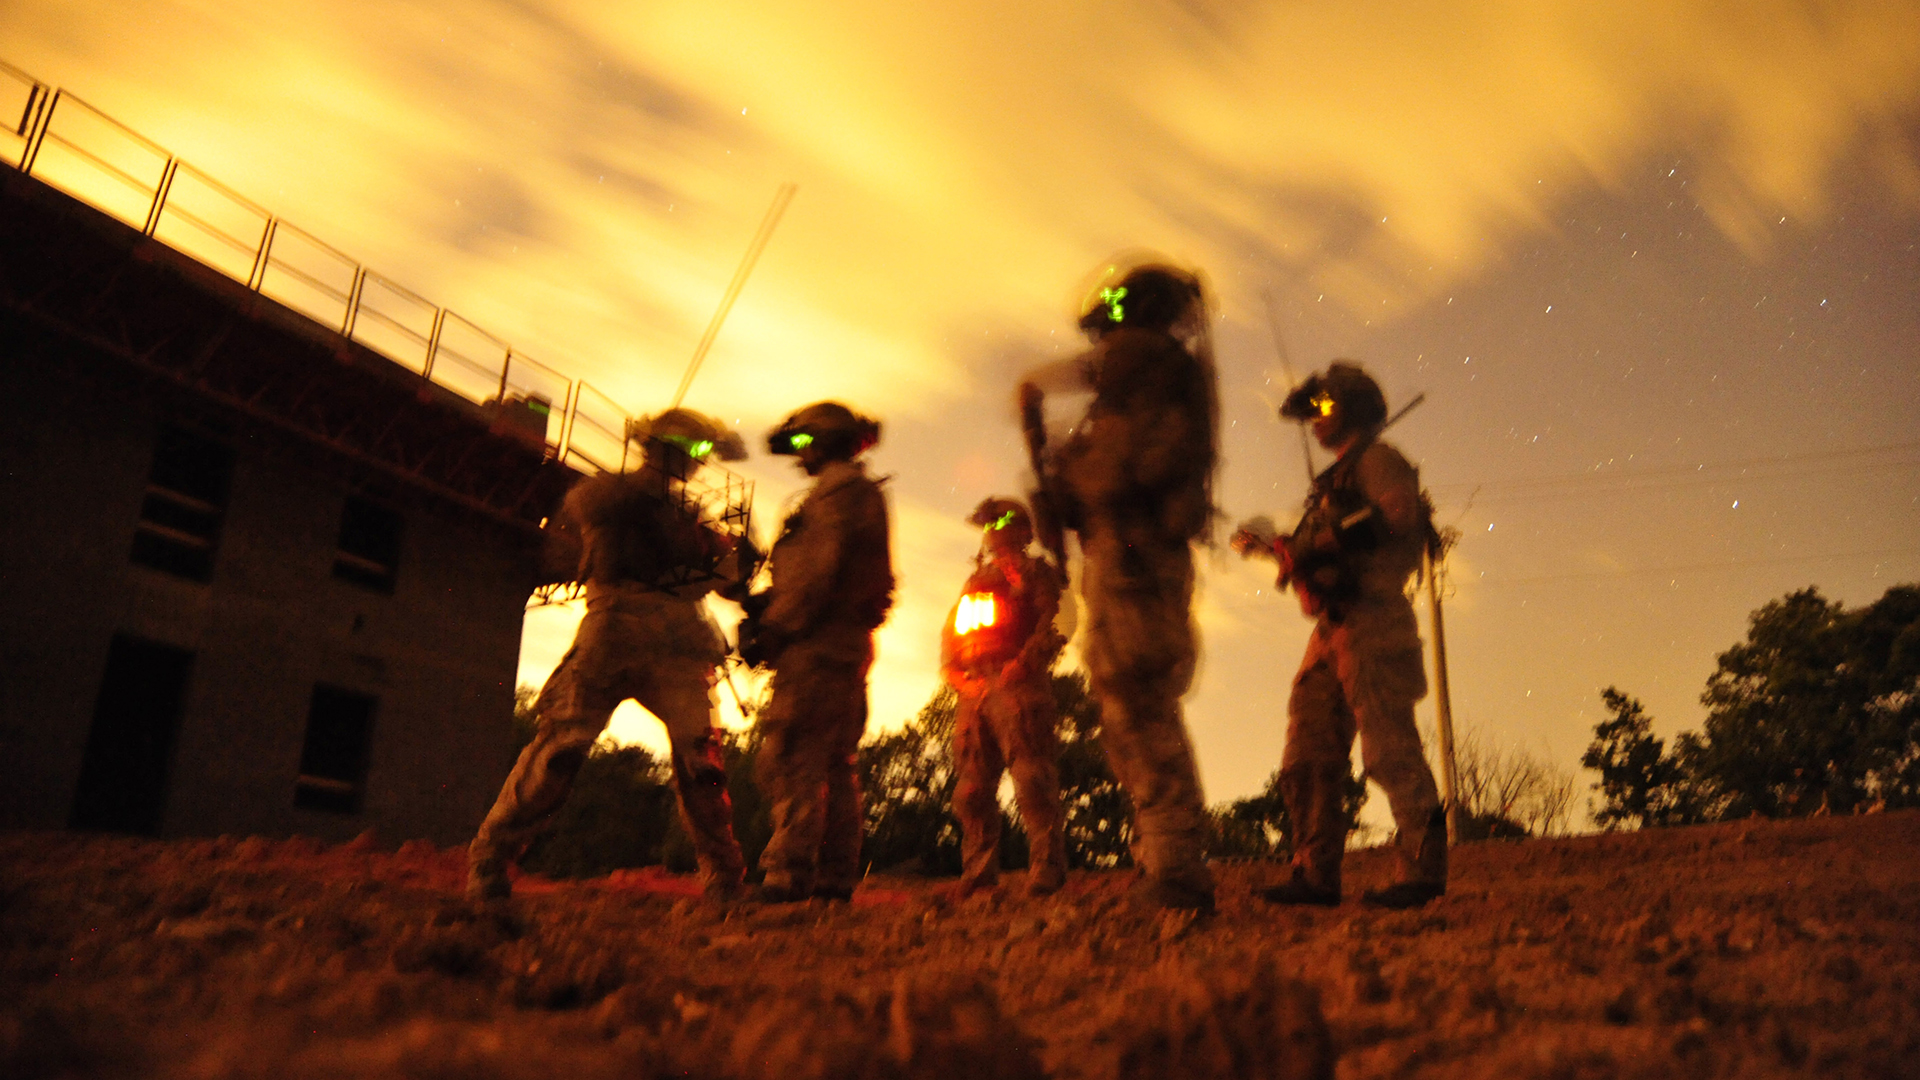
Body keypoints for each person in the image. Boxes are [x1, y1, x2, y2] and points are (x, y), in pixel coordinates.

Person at [467, 408, 751, 902]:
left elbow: (729, 582)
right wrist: (637, 496)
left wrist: (738, 555)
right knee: (560, 752)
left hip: (678, 643)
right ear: (661, 450)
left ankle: (724, 879)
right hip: (616, 632)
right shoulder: (609, 494)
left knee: (702, 766)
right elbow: (582, 515)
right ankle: (490, 860)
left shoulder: (687, 517)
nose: (698, 464)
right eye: (691, 452)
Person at [1018, 260, 1220, 912]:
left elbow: (1125, 472)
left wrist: (1069, 471)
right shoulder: (1143, 394)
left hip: (1137, 566)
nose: (1106, 354)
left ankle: (1176, 869)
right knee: (1126, 714)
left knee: (1141, 709)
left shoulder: (1155, 386)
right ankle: (1161, 859)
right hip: (1120, 565)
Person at [1234, 361, 1447, 909]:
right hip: (1331, 628)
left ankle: (1421, 870)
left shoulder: (1378, 459)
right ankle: (1315, 872)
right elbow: (1320, 551)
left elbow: (1398, 513)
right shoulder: (1336, 481)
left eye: (1326, 406)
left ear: (1354, 407)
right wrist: (1275, 548)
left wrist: (1319, 540)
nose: (1316, 419)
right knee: (1308, 750)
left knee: (1388, 745)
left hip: (1374, 619)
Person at [739, 401, 894, 903]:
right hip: (847, 644)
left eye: (806, 442)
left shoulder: (835, 496)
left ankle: (787, 874)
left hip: (817, 645)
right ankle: (835, 878)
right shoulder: (862, 494)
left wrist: (774, 628)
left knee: (793, 755)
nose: (799, 454)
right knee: (836, 762)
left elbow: (817, 575)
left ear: (828, 442)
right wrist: (762, 601)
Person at [941, 498, 1068, 898]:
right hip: (973, 687)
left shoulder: (1036, 573)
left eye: (1000, 523)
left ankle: (1046, 868)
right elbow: (952, 631)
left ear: (1021, 530)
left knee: (1032, 779)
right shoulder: (976, 581)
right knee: (971, 789)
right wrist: (952, 672)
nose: (993, 532)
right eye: (989, 525)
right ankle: (978, 872)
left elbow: (1054, 621)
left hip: (1017, 683)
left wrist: (1025, 663)